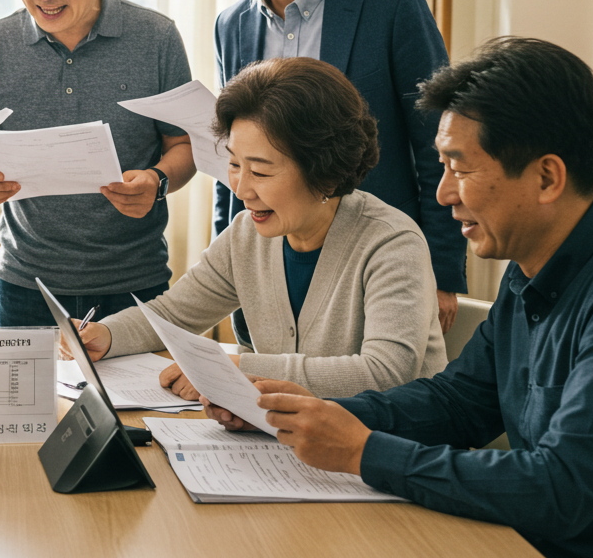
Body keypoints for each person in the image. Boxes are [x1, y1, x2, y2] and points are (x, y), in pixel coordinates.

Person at [232, 39, 593, 558]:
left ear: (547, 177)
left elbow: (560, 487)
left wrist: (364, 452)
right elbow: (459, 403)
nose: (443, 193)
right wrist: (307, 415)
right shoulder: (530, 270)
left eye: (460, 169)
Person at [208, 0, 466, 337]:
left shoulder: (393, 9)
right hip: (270, 266)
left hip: (373, 258)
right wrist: (232, 261)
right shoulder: (232, 25)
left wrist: (442, 270)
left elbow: (439, 147)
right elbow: (232, 156)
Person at [79, 58, 446, 398]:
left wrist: (241, 369)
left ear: (326, 173)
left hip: (389, 453)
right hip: (293, 445)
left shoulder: (391, 242)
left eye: (261, 171)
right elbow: (174, 314)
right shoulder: (246, 235)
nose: (241, 189)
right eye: (235, 165)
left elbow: (388, 373)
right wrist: (107, 334)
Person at [0, 0, 196, 327]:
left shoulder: (156, 39)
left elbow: (184, 145)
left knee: (138, 401)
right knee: (33, 402)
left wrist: (157, 181)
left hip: (135, 283)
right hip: (27, 285)